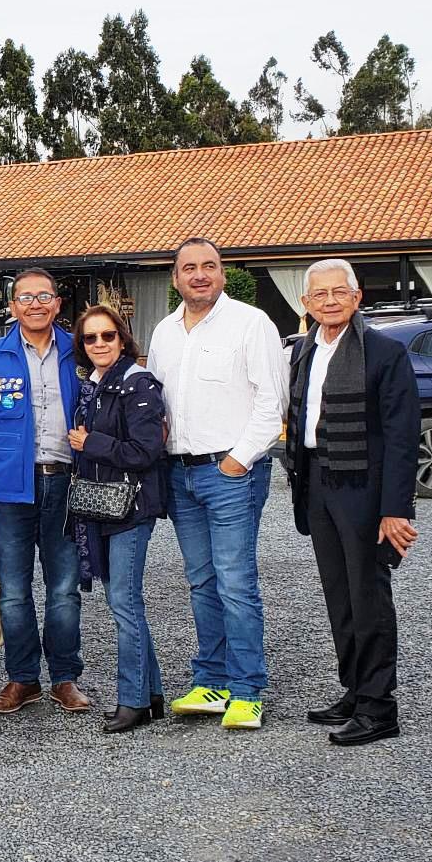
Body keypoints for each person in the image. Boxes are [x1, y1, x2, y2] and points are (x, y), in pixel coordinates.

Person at [147, 238, 288, 731]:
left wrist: (237, 460)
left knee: (234, 581)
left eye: (209, 266)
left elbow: (273, 402)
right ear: (175, 278)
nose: (199, 275)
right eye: (189, 268)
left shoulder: (251, 324)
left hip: (231, 472)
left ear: (223, 274)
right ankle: (212, 681)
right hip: (181, 473)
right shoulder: (164, 332)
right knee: (201, 581)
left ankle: (247, 689)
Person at [283, 259, 418, 747]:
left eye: (339, 292)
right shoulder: (303, 351)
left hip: (364, 485)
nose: (330, 301)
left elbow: (403, 437)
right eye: (319, 295)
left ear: (357, 297)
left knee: (368, 595)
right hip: (318, 480)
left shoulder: (384, 352)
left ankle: (380, 706)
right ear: (306, 304)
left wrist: (396, 508)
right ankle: (356, 690)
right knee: (339, 594)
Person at [0, 269, 91, 716]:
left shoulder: (79, 352)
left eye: (44, 296)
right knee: (13, 592)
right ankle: (22, 679)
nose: (35, 304)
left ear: (58, 304)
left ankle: (65, 677)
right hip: (9, 487)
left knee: (64, 589)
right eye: (25, 297)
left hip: (66, 482)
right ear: (13, 305)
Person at [65, 304, 171, 734]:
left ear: (123, 339)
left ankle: (133, 701)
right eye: (90, 339)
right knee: (124, 604)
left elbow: (146, 451)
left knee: (125, 604)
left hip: (131, 509)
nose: (99, 344)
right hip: (103, 506)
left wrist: (93, 443)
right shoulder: (94, 385)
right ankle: (152, 694)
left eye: (107, 336)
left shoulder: (137, 383)